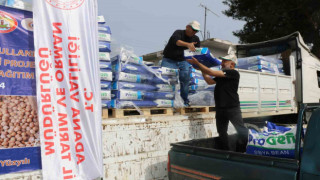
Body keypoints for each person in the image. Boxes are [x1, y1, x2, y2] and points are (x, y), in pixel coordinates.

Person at [187, 54, 248, 152]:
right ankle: (226, 152)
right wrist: (202, 70)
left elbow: (210, 72)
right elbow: (209, 81)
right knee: (221, 132)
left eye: (225, 61)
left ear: (232, 64)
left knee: (241, 130)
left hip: (232, 108)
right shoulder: (222, 75)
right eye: (222, 61)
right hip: (220, 108)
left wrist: (198, 64)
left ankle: (241, 151)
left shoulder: (233, 73)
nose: (222, 63)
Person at [161, 21, 201, 107]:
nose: (194, 32)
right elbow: (177, 42)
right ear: (187, 27)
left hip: (184, 60)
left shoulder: (196, 39)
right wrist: (188, 45)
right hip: (169, 59)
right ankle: (165, 100)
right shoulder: (178, 32)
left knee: (185, 79)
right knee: (165, 79)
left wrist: (198, 63)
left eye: (196, 31)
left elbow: (197, 52)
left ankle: (184, 101)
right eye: (193, 29)